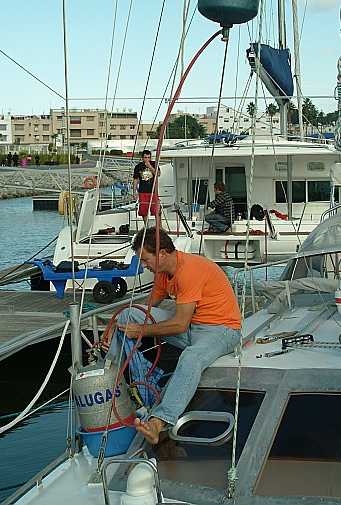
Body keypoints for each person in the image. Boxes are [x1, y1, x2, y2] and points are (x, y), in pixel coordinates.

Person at [101, 227, 241, 445]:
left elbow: (180, 324)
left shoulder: (189, 271)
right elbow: (146, 309)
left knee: (191, 358)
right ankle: (108, 381)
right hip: (194, 327)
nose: (144, 265)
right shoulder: (164, 273)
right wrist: (115, 326)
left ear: (162, 254)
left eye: (146, 260)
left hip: (222, 330)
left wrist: (140, 331)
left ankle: (159, 421)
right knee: (130, 313)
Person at [133, 150, 161, 224]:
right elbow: (135, 179)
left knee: (157, 210)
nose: (147, 159)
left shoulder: (154, 164)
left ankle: (159, 227)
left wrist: (150, 167)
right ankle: (147, 227)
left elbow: (158, 174)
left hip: (153, 191)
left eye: (148, 157)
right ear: (142, 158)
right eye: (145, 157)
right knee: (143, 211)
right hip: (143, 191)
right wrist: (134, 192)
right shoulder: (138, 167)